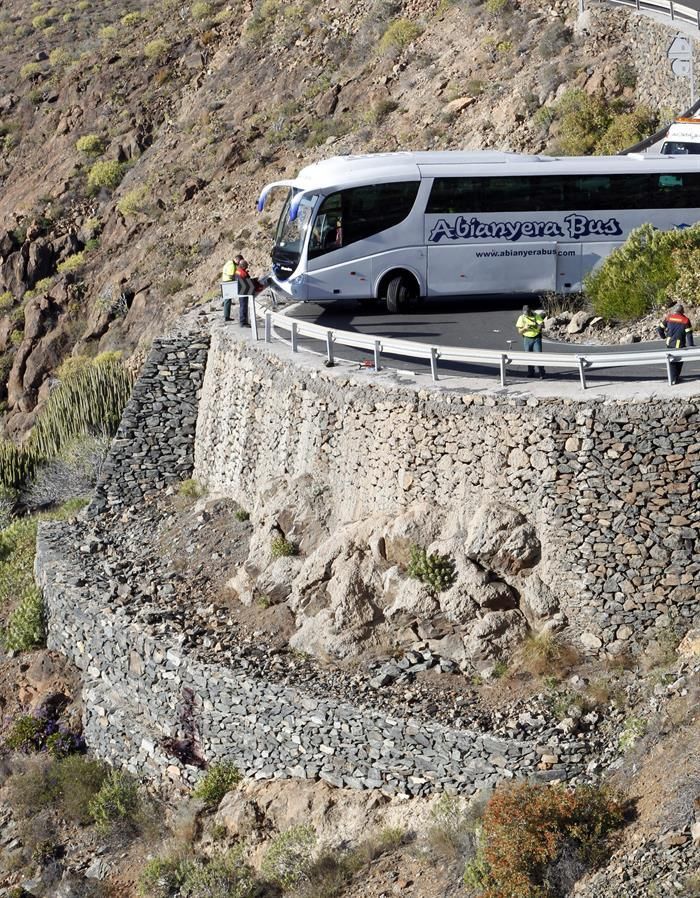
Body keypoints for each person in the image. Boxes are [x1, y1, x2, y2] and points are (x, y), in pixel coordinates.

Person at [657, 303, 694, 384]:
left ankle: (674, 378)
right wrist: (691, 346)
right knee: (679, 361)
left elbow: (659, 328)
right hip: (680, 344)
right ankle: (675, 378)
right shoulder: (685, 320)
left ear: (674, 310)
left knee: (671, 361)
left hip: (669, 343)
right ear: (682, 311)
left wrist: (663, 336)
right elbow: (689, 334)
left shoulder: (669, 317)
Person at [515, 304, 546, 378]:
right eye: (525, 313)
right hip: (527, 338)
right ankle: (531, 372)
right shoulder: (522, 318)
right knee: (528, 356)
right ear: (523, 312)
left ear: (530, 311)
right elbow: (519, 331)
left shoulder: (535, 315)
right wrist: (525, 328)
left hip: (536, 338)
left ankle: (542, 373)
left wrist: (538, 326)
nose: (527, 314)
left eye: (528, 312)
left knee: (539, 355)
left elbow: (541, 324)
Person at [222, 254, 242, 322]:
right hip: (228, 282)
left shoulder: (229, 262)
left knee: (227, 300)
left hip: (226, 282)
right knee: (228, 300)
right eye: (239, 261)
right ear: (237, 260)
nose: (239, 263)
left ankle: (226, 316)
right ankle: (226, 317)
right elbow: (231, 276)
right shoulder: (232, 265)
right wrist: (238, 276)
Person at [235, 258, 254, 327]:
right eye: (246, 266)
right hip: (244, 291)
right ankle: (243, 322)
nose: (247, 267)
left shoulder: (238, 271)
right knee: (243, 306)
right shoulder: (243, 273)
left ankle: (243, 321)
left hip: (240, 290)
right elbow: (247, 279)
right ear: (243, 266)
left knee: (242, 306)